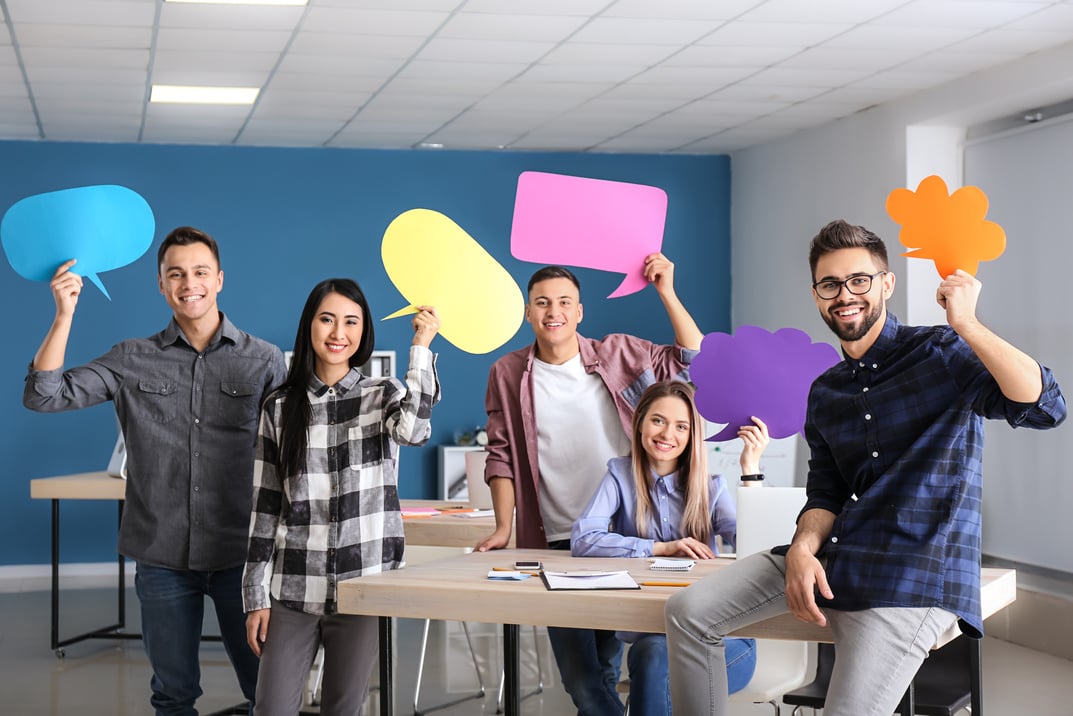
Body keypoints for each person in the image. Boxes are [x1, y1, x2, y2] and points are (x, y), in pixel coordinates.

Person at [665, 219, 1067, 715]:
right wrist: (801, 548)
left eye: (859, 280)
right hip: (839, 555)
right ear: (816, 295)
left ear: (886, 283)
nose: (845, 295)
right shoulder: (826, 390)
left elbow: (1046, 407)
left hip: (913, 576)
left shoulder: (942, 352)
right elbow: (826, 490)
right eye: (830, 284)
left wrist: (969, 325)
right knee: (688, 613)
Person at [24, 226, 287, 715]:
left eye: (201, 272)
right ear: (161, 285)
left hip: (243, 559)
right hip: (161, 556)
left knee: (268, 693)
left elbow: (295, 451)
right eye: (177, 274)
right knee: (172, 696)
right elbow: (44, 395)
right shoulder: (131, 358)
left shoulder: (264, 360)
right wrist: (65, 315)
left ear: (220, 279)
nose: (190, 283)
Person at [477, 254, 704, 716]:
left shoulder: (618, 354)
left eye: (564, 302)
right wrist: (504, 527)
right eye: (542, 302)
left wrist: (666, 291)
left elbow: (694, 358)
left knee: (622, 663)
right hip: (557, 537)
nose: (553, 311)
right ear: (528, 311)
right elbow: (500, 453)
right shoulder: (507, 372)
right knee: (583, 681)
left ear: (580, 312)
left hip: (625, 536)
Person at [242, 278, 441, 715]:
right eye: (327, 319)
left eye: (351, 322)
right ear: (309, 325)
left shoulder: (383, 395)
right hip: (293, 588)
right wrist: (255, 594)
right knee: (270, 707)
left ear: (363, 331)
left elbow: (414, 430)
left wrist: (421, 346)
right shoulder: (278, 406)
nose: (338, 333)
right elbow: (265, 506)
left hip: (363, 586)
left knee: (344, 709)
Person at [571, 380, 766, 715]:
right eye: (658, 420)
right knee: (652, 657)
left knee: (658, 676)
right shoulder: (619, 475)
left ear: (692, 435)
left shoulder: (711, 489)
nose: (667, 434)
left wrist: (750, 471)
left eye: (681, 426)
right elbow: (584, 539)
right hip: (652, 636)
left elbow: (755, 548)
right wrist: (659, 547)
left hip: (722, 641)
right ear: (640, 422)